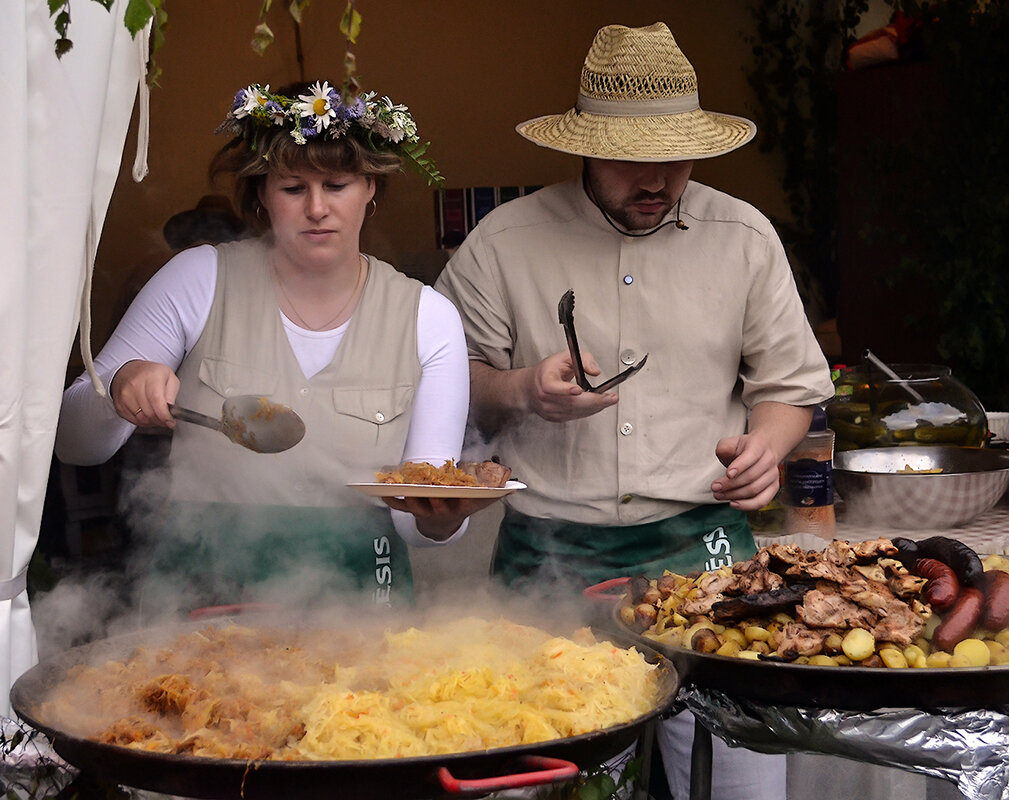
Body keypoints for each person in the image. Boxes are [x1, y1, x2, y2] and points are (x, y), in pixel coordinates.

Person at [434, 23, 835, 800]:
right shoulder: (503, 241)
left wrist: (766, 445)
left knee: (738, 779)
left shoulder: (742, 237)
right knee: (539, 779)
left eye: (675, 158)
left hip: (703, 547)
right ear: (580, 147)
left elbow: (790, 387)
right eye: (630, 161)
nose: (655, 180)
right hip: (548, 549)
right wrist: (521, 390)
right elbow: (450, 383)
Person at [56, 79, 495, 611]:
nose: (316, 208)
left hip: (358, 605)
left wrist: (441, 522)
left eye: (336, 185)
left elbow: (416, 517)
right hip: (204, 594)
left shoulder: (428, 318)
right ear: (262, 194)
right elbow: (74, 444)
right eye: (293, 188)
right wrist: (119, 386)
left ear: (370, 189)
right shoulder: (198, 279)